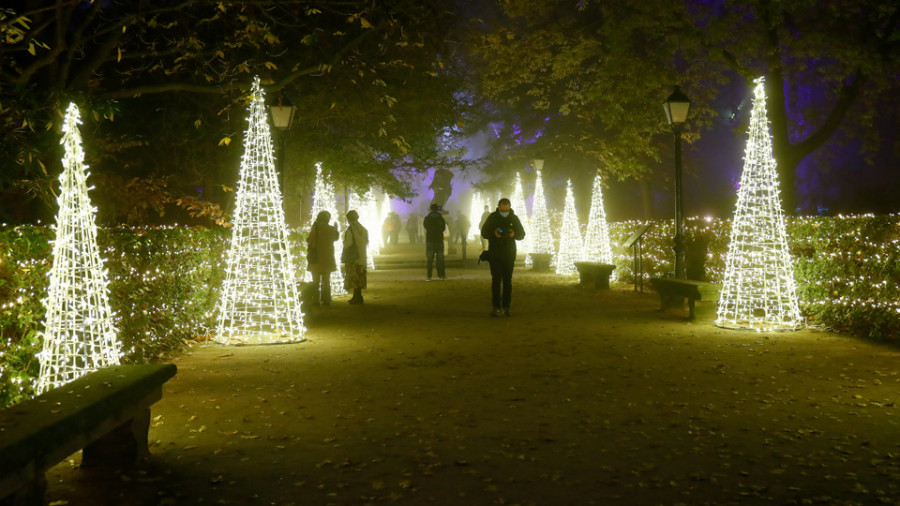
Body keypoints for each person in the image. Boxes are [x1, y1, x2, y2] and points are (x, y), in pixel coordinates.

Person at [480, 198, 526, 317]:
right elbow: (484, 232)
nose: (505, 208)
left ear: (510, 206)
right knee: (496, 281)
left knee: (507, 281)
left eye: (507, 205)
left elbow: (522, 234)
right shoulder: (493, 217)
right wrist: (494, 233)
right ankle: (496, 306)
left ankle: (506, 306)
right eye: (503, 205)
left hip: (509, 254)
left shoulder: (513, 218)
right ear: (499, 206)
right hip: (495, 253)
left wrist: (513, 234)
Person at [306, 211, 339, 306]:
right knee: (326, 280)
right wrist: (336, 228)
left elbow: (310, 240)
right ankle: (326, 299)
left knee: (315, 281)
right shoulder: (331, 229)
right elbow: (336, 238)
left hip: (316, 259)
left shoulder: (315, 228)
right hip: (327, 258)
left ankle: (316, 300)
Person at [342, 210, 369, 304]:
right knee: (360, 277)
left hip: (353, 257)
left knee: (354, 277)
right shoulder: (363, 229)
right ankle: (358, 296)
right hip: (362, 256)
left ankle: (356, 297)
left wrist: (344, 244)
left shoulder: (350, 230)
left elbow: (347, 244)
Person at [422, 203, 447, 280]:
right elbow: (443, 228)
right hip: (439, 240)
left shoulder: (427, 218)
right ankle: (441, 275)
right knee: (440, 259)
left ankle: (429, 275)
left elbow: (425, 226)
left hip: (430, 240)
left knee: (430, 259)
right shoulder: (440, 218)